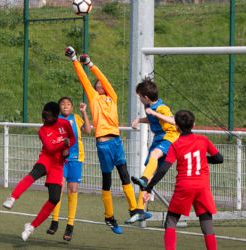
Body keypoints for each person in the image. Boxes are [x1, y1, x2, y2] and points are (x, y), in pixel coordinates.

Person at [64, 46, 138, 234]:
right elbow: (84, 80)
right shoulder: (94, 99)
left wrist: (91, 64)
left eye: (100, 84)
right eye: (96, 84)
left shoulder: (112, 97)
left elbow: (103, 79)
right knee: (107, 181)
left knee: (124, 174)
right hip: (104, 144)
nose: (99, 85)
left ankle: (135, 209)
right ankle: (109, 217)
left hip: (116, 142)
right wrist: (75, 59)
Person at [143, 110, 223, 250]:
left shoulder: (176, 144)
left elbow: (163, 169)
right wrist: (205, 159)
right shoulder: (203, 140)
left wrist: (149, 187)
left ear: (176, 126)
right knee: (206, 221)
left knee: (171, 221)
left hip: (184, 186)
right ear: (194, 124)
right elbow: (219, 158)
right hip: (202, 186)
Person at [2, 101, 75, 242]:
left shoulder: (64, 124)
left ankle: (31, 226)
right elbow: (50, 148)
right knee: (34, 174)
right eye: (43, 115)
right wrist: (64, 144)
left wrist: (68, 147)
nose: (43, 119)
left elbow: (72, 138)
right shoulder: (42, 130)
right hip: (46, 158)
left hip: (58, 164)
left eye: (46, 117)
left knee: (55, 199)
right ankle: (12, 198)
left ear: (55, 116)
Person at [127, 78, 179, 223]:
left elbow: (174, 121)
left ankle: (144, 181)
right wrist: (139, 120)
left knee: (154, 156)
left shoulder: (162, 108)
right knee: (149, 174)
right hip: (158, 139)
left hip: (170, 137)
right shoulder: (149, 107)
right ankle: (139, 211)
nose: (139, 99)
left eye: (139, 97)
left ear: (146, 97)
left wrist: (155, 114)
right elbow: (153, 120)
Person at [46, 97, 91, 241]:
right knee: (58, 188)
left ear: (72, 107)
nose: (65, 106)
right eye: (63, 104)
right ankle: (54, 222)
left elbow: (88, 130)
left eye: (68, 104)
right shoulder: (55, 120)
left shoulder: (76, 118)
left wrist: (84, 112)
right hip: (60, 160)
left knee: (73, 189)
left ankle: (70, 226)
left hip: (76, 159)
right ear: (59, 107)